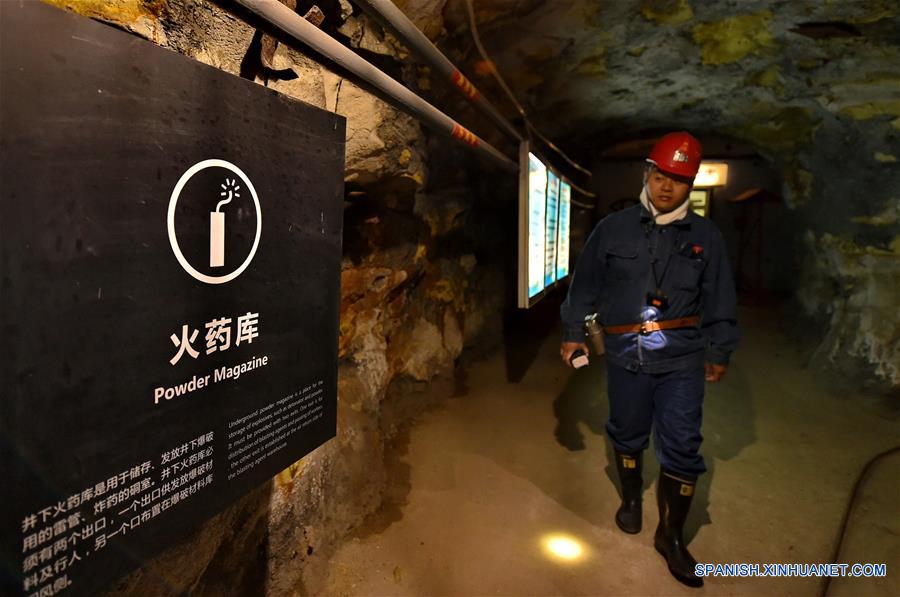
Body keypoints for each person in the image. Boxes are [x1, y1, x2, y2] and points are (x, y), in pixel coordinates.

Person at [559, 132, 739, 588]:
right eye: (660, 176)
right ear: (647, 173)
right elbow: (584, 286)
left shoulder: (705, 236)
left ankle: (672, 536)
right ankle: (633, 499)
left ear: (691, 185)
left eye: (678, 180)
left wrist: (719, 349)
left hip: (682, 359)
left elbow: (720, 296)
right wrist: (571, 334)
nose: (666, 187)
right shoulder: (613, 229)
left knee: (682, 443)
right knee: (627, 430)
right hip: (624, 355)